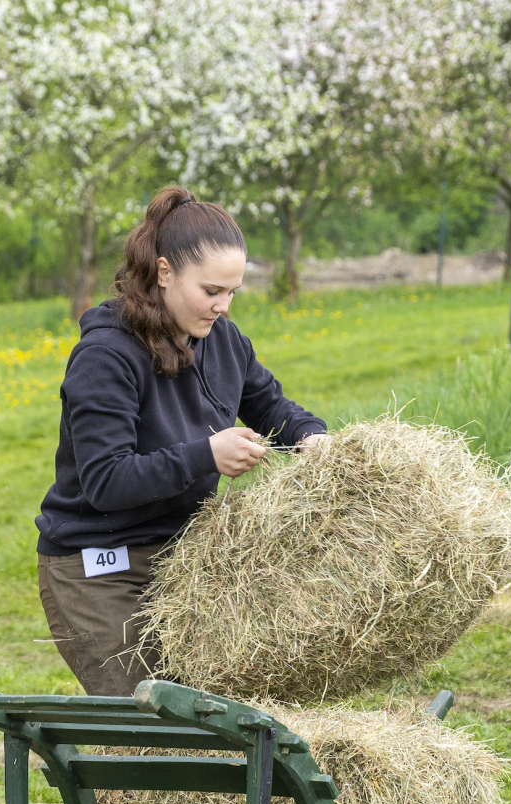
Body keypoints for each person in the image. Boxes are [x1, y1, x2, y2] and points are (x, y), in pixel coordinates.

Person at [35, 186, 327, 695]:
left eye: (232, 292)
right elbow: (106, 481)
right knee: (154, 721)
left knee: (223, 708)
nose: (222, 307)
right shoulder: (105, 356)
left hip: (184, 557)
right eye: (211, 290)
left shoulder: (223, 340)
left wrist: (312, 437)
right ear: (165, 272)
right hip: (98, 565)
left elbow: (271, 407)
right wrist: (206, 455)